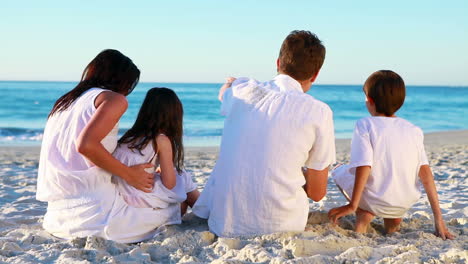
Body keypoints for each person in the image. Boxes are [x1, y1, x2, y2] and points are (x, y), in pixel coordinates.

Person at [192, 30, 336, 237]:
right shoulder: (319, 111)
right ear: (315, 74)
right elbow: (317, 192)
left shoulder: (242, 89)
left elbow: (223, 94)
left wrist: (230, 84)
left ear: (278, 63)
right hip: (283, 226)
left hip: (223, 222)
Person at [37, 49, 182, 243]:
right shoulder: (113, 99)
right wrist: (130, 175)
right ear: (122, 80)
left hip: (57, 218)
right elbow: (87, 145)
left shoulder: (65, 103)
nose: (127, 91)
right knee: (173, 209)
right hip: (97, 217)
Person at [328, 70, 454, 239]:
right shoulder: (413, 130)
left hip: (374, 200)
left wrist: (353, 204)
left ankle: (363, 213)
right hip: (403, 203)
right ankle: (393, 220)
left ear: (369, 101)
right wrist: (438, 219)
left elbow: (364, 165)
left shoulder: (365, 125)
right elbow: (425, 174)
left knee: (338, 170)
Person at [112, 87, 200, 218]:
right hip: (138, 198)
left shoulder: (129, 136)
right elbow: (170, 184)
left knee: (178, 186)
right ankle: (205, 211)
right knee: (183, 177)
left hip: (122, 195)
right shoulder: (161, 139)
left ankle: (189, 208)